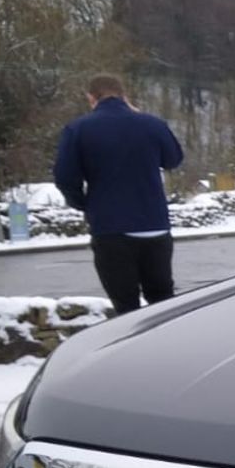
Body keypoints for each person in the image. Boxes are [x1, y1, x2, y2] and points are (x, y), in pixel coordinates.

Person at [53, 74, 185, 313]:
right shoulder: (152, 124)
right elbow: (173, 159)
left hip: (111, 228)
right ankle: (169, 347)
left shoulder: (78, 129)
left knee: (125, 307)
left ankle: (132, 349)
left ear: (90, 98)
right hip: (155, 225)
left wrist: (83, 203)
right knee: (164, 302)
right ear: (125, 96)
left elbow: (64, 177)